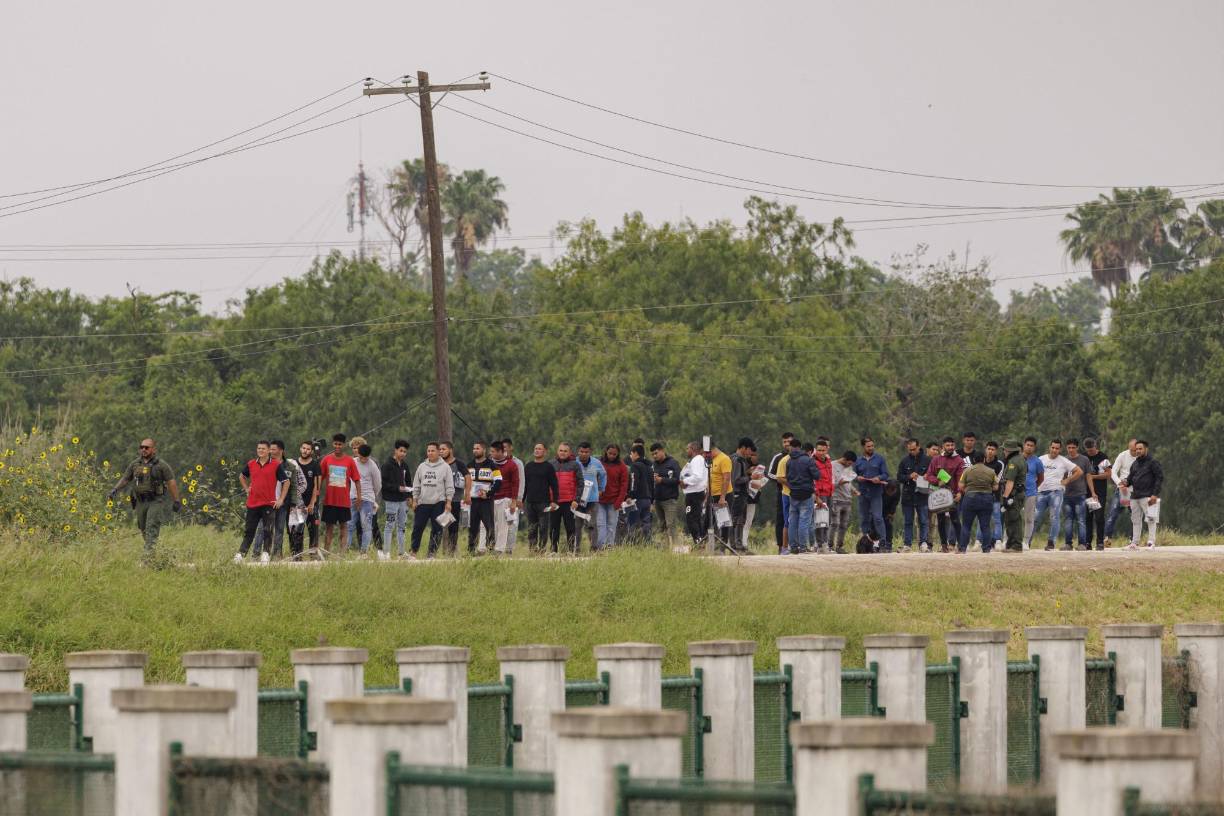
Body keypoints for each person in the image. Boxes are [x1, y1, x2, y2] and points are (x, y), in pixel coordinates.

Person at [108, 437, 180, 563]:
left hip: (156, 501)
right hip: (140, 502)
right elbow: (125, 478)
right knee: (143, 528)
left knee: (151, 527)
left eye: (147, 447)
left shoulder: (161, 465)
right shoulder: (135, 464)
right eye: (141, 447)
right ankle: (156, 555)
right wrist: (115, 489)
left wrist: (176, 501)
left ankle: (147, 559)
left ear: (154, 449)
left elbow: (171, 482)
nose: (143, 450)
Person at [236, 440, 288, 564]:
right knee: (249, 530)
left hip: (268, 503)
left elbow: (286, 481)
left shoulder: (275, 465)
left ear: (269, 450)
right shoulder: (251, 464)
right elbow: (242, 476)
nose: (260, 450)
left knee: (268, 530)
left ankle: (266, 554)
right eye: (259, 448)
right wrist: (246, 488)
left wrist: (281, 499)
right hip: (253, 503)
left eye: (263, 449)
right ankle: (241, 554)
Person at [1027, 439, 1081, 551]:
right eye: (1053, 448)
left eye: (1057, 448)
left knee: (1054, 517)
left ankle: (1051, 543)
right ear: (1049, 447)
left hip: (1056, 492)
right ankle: (1027, 542)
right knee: (1035, 517)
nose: (1054, 450)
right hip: (1041, 492)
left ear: (1060, 449)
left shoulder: (1064, 461)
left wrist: (1067, 480)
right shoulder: (1041, 459)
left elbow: (1079, 471)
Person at [410, 442, 454, 559]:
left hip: (438, 503)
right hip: (423, 502)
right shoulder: (421, 466)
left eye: (432, 451)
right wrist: (415, 500)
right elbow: (416, 485)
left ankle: (431, 554)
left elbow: (449, 486)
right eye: (428, 451)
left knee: (437, 529)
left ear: (439, 452)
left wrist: (448, 502)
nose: (430, 453)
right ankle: (413, 552)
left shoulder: (445, 467)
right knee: (417, 528)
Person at [319, 434, 361, 554]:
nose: (337, 446)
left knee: (344, 527)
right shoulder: (326, 459)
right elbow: (319, 478)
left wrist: (359, 496)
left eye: (340, 444)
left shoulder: (349, 461)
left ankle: (342, 553)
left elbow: (357, 480)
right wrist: (316, 493)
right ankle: (326, 552)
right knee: (329, 528)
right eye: (335, 444)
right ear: (333, 444)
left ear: (344, 445)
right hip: (329, 500)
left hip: (344, 501)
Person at [265, 440, 305, 559]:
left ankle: (278, 554)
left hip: (285, 503)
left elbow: (294, 486)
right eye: (270, 449)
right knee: (265, 529)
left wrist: (293, 502)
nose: (271, 451)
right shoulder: (266, 464)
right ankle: (263, 553)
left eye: (273, 449)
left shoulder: (290, 466)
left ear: (281, 450)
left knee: (281, 529)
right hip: (268, 502)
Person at [1121, 440, 1163, 550]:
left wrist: (1155, 494)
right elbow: (1130, 479)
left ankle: (1151, 542)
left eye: (1140, 449)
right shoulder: (1135, 463)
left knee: (1151, 519)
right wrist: (1125, 482)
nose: (1138, 451)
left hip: (1148, 496)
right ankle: (1134, 543)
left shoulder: (1153, 462)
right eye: (1136, 449)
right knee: (1135, 520)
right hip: (1135, 496)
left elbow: (1159, 478)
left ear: (1146, 449)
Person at [925, 437, 965, 553]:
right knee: (941, 520)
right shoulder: (936, 460)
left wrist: (959, 492)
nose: (950, 447)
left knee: (956, 520)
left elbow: (961, 478)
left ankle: (961, 546)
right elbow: (929, 475)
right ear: (943, 447)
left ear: (955, 446)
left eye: (952, 445)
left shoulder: (959, 460)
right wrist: (937, 481)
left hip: (953, 495)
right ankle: (944, 545)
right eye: (948, 445)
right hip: (939, 495)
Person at [522, 443, 559, 553]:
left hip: (544, 502)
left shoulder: (548, 467)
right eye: (535, 448)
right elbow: (524, 485)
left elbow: (554, 485)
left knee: (543, 527)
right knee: (532, 528)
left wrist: (554, 501)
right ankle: (533, 550)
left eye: (539, 449)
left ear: (544, 452)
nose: (537, 450)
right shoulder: (528, 466)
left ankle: (542, 549)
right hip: (530, 502)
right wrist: (522, 500)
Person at [959, 451, 999, 553]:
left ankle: (963, 548)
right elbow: (995, 487)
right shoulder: (991, 471)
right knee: (985, 525)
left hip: (970, 498)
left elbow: (961, 486)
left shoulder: (967, 471)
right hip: (986, 499)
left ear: (973, 460)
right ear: (984, 459)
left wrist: (968, 491)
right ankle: (986, 548)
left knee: (966, 525)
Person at [855, 437, 890, 552]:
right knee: (864, 518)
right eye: (868, 446)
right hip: (863, 493)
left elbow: (885, 474)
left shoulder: (880, 459)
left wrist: (879, 478)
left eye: (872, 446)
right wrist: (857, 478)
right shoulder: (858, 460)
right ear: (863, 447)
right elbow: (852, 475)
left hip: (876, 493)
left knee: (878, 518)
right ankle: (867, 543)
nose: (871, 448)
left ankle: (883, 543)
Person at [896, 438, 931, 553]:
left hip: (923, 495)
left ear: (919, 446)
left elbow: (936, 474)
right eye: (910, 450)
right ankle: (907, 544)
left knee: (924, 520)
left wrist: (927, 476)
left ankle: (924, 543)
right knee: (908, 521)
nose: (912, 452)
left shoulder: (927, 460)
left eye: (914, 449)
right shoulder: (904, 461)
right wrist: (909, 476)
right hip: (908, 495)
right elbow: (899, 477)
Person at [466, 441, 500, 555]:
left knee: (489, 525)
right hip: (472, 501)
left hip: (486, 501)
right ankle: (471, 551)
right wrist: (466, 495)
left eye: (478, 448)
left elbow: (499, 481)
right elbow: (464, 482)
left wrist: (489, 493)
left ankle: (491, 550)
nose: (475, 450)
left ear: (484, 450)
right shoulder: (469, 465)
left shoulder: (492, 465)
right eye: (474, 448)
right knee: (472, 527)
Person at [1103, 438, 1138, 548]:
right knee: (1113, 513)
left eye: (1135, 450)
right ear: (1129, 448)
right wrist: (1119, 484)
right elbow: (1113, 471)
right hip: (1122, 489)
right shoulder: (1123, 455)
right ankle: (1107, 538)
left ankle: (1133, 540)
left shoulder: (1141, 458)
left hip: (1136, 491)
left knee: (1135, 516)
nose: (1133, 453)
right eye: (1131, 450)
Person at [380, 440, 412, 559]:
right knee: (389, 525)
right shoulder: (387, 465)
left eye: (405, 452)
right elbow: (383, 483)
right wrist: (397, 488)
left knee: (402, 526)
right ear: (395, 450)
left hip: (403, 501)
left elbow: (408, 481)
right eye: (401, 451)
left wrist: (409, 496)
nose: (403, 453)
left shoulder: (405, 465)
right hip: (391, 501)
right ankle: (386, 552)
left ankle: (401, 552)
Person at [348, 443, 381, 555]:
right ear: (358, 454)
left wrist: (372, 496)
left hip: (367, 499)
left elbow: (378, 484)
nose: (363, 459)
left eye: (365, 458)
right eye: (361, 457)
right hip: (353, 497)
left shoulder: (372, 465)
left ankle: (364, 552)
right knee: (349, 524)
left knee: (366, 525)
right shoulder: (352, 462)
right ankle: (344, 549)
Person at [551, 443, 583, 554]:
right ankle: (553, 550)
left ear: (569, 453)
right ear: (557, 451)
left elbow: (580, 484)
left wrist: (576, 500)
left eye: (565, 451)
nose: (562, 453)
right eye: (561, 450)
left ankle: (570, 551)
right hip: (554, 502)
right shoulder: (551, 464)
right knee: (554, 528)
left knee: (570, 528)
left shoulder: (575, 465)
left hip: (569, 502)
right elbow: (547, 483)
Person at [595, 444, 629, 551]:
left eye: (615, 454)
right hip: (600, 500)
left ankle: (610, 546)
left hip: (614, 501)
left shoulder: (622, 466)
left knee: (611, 525)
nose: (612, 456)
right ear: (606, 452)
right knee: (600, 524)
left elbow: (624, 485)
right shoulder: (599, 463)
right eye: (610, 453)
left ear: (618, 454)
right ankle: (602, 547)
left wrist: (619, 502)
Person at [438, 441, 469, 556]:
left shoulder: (459, 464)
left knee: (453, 528)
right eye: (440, 449)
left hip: (454, 500)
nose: (441, 451)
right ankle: (435, 551)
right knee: (439, 526)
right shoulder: (438, 464)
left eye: (443, 449)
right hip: (440, 500)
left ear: (450, 450)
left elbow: (467, 477)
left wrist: (467, 494)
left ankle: (452, 551)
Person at [490, 440, 520, 555]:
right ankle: (489, 547)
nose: (491, 453)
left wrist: (513, 501)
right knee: (492, 525)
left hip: (505, 498)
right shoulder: (490, 463)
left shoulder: (512, 465)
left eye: (493, 451)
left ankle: (499, 550)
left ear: (500, 452)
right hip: (491, 498)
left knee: (503, 526)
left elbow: (515, 484)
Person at [1061, 438, 1092, 551]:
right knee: (1068, 519)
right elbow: (1060, 476)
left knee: (1081, 520)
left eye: (1073, 447)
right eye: (1069, 447)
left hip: (1080, 494)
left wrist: (1092, 492)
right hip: (1067, 494)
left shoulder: (1084, 460)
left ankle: (1082, 544)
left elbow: (1088, 476)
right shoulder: (1063, 460)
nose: (1071, 450)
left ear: (1077, 448)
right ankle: (1068, 544)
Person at [575, 442, 607, 552]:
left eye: (586, 452)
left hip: (592, 499)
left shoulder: (596, 463)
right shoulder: (574, 463)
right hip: (578, 500)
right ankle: (576, 548)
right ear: (578, 452)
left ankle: (594, 549)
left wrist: (601, 489)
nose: (583, 454)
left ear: (590, 452)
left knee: (592, 524)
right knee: (577, 525)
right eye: (581, 452)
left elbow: (603, 475)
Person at [650, 443, 682, 549]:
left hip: (670, 499)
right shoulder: (654, 465)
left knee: (671, 524)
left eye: (656, 453)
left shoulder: (673, 463)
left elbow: (677, 480)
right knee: (662, 525)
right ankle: (665, 548)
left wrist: (662, 480)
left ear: (662, 451)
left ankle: (677, 547)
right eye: (652, 454)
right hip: (658, 499)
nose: (654, 456)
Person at [1082, 438, 1112, 551]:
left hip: (1099, 493)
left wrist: (1093, 477)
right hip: (1087, 492)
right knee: (1088, 518)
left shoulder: (1103, 457)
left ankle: (1100, 542)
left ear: (1096, 446)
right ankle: (1087, 542)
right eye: (1088, 451)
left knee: (1099, 517)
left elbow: (1108, 474)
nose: (1090, 453)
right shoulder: (1084, 457)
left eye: (1092, 450)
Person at [768, 433, 795, 553]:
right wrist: (782, 479)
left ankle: (795, 545)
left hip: (797, 494)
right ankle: (781, 546)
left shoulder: (798, 456)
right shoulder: (778, 457)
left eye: (789, 441)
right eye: (784, 442)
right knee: (781, 519)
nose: (787, 444)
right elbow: (769, 474)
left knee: (796, 518)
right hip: (782, 492)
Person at [295, 440, 323, 556]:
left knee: (313, 531)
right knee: (297, 531)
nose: (305, 451)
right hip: (297, 503)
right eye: (303, 448)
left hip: (312, 504)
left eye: (308, 449)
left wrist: (312, 503)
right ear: (300, 449)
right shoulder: (294, 464)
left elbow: (317, 487)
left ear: (311, 451)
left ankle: (313, 556)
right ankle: (297, 556)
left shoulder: (315, 465)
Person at [999, 440, 1027, 552]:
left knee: (1013, 519)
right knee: (1012, 518)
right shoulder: (1021, 459)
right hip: (1019, 493)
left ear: (1009, 450)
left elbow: (1010, 481)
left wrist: (1005, 497)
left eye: (1004, 449)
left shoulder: (1012, 463)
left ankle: (1016, 545)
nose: (1003, 451)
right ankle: (1011, 544)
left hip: (1013, 494)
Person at [729, 438, 756, 553]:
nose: (750, 453)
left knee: (740, 520)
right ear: (744, 448)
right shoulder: (737, 460)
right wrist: (750, 477)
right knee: (735, 520)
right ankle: (734, 545)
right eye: (749, 450)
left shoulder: (738, 460)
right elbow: (736, 480)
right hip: (737, 493)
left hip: (741, 494)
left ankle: (738, 545)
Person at [680, 442, 708, 549]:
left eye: (687, 448)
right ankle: (700, 542)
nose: (686, 451)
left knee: (692, 518)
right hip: (694, 493)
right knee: (695, 518)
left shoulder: (697, 459)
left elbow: (697, 477)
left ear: (693, 449)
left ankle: (698, 542)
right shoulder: (697, 460)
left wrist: (685, 481)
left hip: (695, 494)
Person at [706, 441, 734, 552]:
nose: (705, 456)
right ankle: (712, 546)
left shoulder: (724, 459)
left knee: (723, 522)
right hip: (712, 494)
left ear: (712, 449)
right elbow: (711, 477)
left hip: (723, 495)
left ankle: (722, 547)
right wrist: (707, 495)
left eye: (706, 453)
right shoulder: (711, 460)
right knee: (709, 520)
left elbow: (727, 478)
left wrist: (723, 497)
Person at [829, 450, 857, 554]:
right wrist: (841, 482)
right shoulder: (832, 465)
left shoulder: (849, 468)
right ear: (845, 459)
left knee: (843, 525)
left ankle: (839, 546)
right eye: (849, 463)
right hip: (836, 499)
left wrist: (854, 490)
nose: (849, 465)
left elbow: (848, 483)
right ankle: (830, 546)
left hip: (847, 499)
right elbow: (832, 483)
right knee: (834, 523)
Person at [625, 444, 654, 543]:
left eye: (631, 453)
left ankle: (632, 545)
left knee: (633, 522)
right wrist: (652, 500)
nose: (630, 456)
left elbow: (634, 481)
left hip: (637, 500)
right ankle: (647, 543)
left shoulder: (635, 466)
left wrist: (630, 495)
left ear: (636, 454)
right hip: (648, 499)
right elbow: (652, 484)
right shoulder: (649, 467)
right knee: (646, 523)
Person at [1021, 437, 1046, 550]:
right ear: (1024, 445)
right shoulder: (1017, 458)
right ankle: (1009, 540)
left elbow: (1041, 478)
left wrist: (1034, 487)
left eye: (1032, 445)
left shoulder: (1037, 461)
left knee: (1029, 518)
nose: (1029, 447)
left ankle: (1026, 542)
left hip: (1030, 493)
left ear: (1034, 447)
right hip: (1017, 493)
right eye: (1027, 445)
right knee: (1013, 517)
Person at [811, 440, 834, 553]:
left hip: (829, 493)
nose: (820, 452)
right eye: (818, 450)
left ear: (827, 450)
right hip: (819, 495)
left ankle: (825, 543)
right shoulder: (812, 462)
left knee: (827, 520)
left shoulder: (828, 461)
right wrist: (816, 496)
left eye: (823, 450)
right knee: (820, 521)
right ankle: (820, 545)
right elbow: (813, 481)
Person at [982, 442, 1004, 550]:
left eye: (993, 449)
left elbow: (997, 482)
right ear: (985, 449)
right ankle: (979, 540)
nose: (990, 451)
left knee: (996, 518)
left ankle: (998, 540)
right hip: (982, 495)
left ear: (996, 451)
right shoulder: (980, 461)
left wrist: (986, 480)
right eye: (989, 449)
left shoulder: (999, 464)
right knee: (982, 519)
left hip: (994, 496)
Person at [744, 450, 767, 551]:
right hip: (742, 497)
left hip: (753, 497)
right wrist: (749, 473)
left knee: (749, 521)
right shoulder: (742, 464)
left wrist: (761, 479)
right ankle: (737, 542)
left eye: (755, 455)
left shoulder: (760, 467)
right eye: (752, 455)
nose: (754, 457)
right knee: (740, 521)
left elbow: (761, 481)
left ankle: (744, 542)